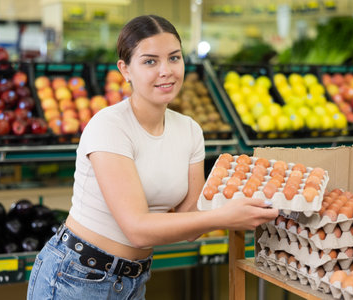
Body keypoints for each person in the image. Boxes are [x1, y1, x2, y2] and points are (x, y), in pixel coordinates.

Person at [27, 14, 278, 300]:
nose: (166, 71)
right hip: (76, 276)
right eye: (150, 61)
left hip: (134, 278)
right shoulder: (109, 126)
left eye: (174, 58)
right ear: (125, 70)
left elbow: (191, 222)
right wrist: (226, 216)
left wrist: (244, 196)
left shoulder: (190, 131)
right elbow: (137, 229)